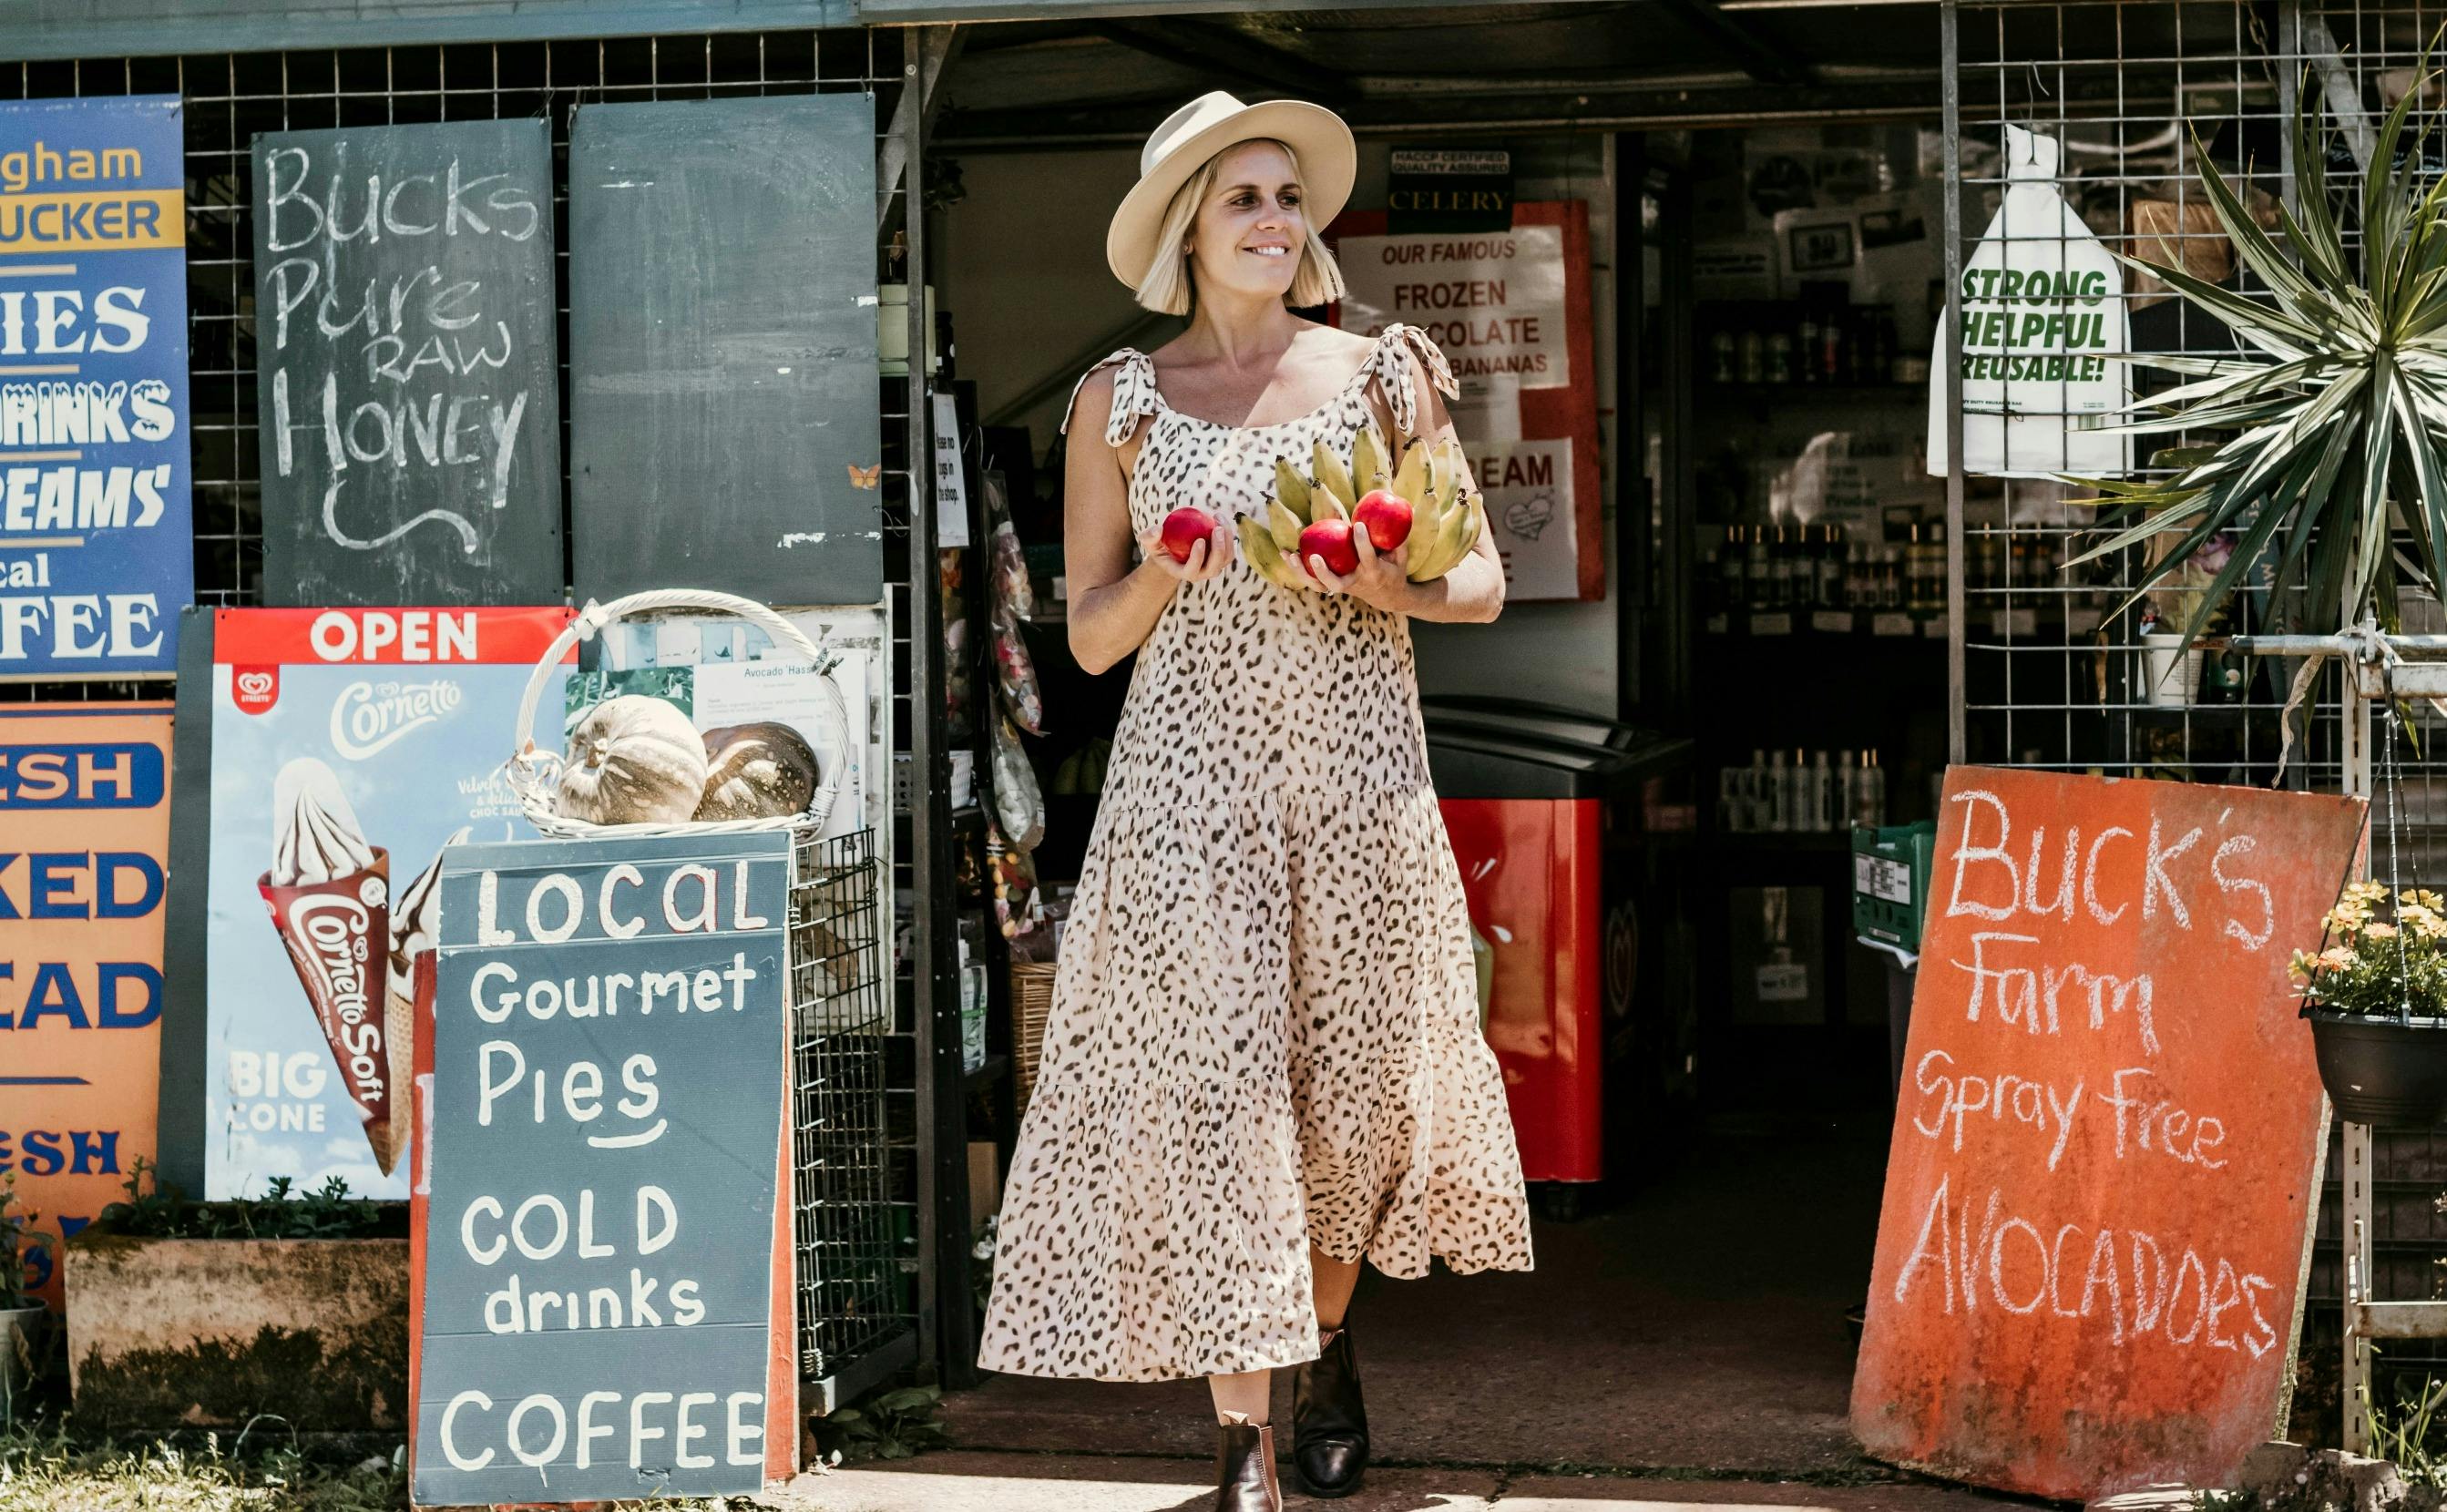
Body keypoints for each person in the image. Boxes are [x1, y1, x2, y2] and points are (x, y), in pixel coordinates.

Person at [976, 90, 1534, 1512]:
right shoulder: (1121, 398)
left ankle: (1326, 1345)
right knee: (1217, 1101)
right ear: (1186, 230)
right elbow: (1091, 637)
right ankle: (1244, 1447)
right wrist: (1165, 570)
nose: (1277, 221)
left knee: (1347, 1102)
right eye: (1244, 199)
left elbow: (1478, 585)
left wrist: (1383, 580)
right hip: (1186, 798)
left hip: (1355, 786)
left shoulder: (1385, 376)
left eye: (1291, 197)